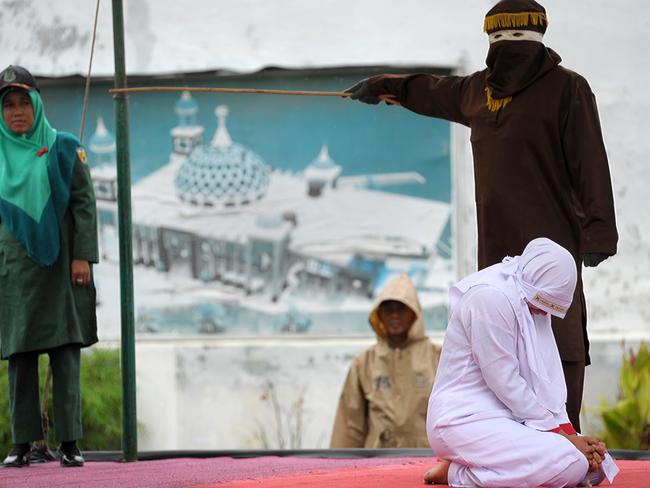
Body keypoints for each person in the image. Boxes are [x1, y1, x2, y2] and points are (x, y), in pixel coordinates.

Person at [344, 0, 618, 432]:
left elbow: (590, 161)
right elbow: (432, 90)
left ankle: (566, 446)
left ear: (537, 39)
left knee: (556, 343)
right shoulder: (478, 92)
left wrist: (599, 233)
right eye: (498, 40)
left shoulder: (568, 89)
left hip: (550, 252)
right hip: (497, 255)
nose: (507, 50)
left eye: (515, 40)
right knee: (495, 348)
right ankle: (502, 447)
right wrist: (382, 87)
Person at [423, 238, 619, 487]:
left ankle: (487, 468)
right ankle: (457, 474)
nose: (543, 313)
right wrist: (564, 438)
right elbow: (505, 381)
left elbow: (542, 381)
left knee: (597, 465)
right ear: (531, 285)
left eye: (550, 308)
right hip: (463, 421)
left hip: (511, 418)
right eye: (541, 304)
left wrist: (569, 433)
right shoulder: (489, 298)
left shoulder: (530, 297)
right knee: (571, 463)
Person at [0, 65, 98, 468]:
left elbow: (84, 205)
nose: (17, 112)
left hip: (62, 266)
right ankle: (22, 443)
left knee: (64, 350)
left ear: (38, 104)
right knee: (19, 356)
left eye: (25, 103)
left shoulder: (64, 147)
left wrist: (82, 257)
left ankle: (70, 442)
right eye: (9, 106)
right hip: (13, 269)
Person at [330, 273, 441, 448]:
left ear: (414, 313)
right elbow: (350, 425)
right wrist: (339, 468)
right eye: (388, 309)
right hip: (377, 459)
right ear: (379, 314)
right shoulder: (364, 362)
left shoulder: (437, 357)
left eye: (401, 308)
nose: (394, 315)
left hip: (426, 459)